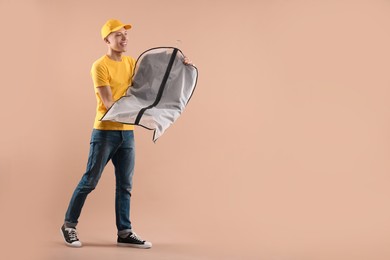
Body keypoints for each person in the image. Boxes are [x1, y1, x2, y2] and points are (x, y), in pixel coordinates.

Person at [60, 18, 192, 249]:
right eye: (118, 35)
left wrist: (180, 65)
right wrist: (138, 113)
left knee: (125, 186)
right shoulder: (99, 66)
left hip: (126, 134)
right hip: (105, 132)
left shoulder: (131, 62)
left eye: (125, 35)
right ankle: (69, 225)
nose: (124, 38)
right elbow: (109, 102)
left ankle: (124, 232)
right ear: (107, 39)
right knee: (90, 181)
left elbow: (153, 83)